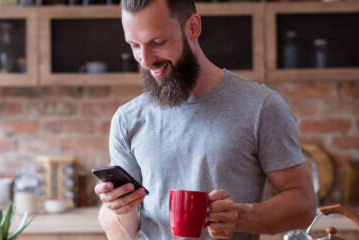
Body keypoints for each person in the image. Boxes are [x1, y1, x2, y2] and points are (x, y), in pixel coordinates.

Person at [94, 0, 316, 239]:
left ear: (192, 27)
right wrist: (119, 209)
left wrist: (239, 217)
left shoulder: (261, 107)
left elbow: (302, 206)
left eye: (157, 42)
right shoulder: (128, 119)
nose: (146, 60)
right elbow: (120, 231)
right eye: (134, 45)